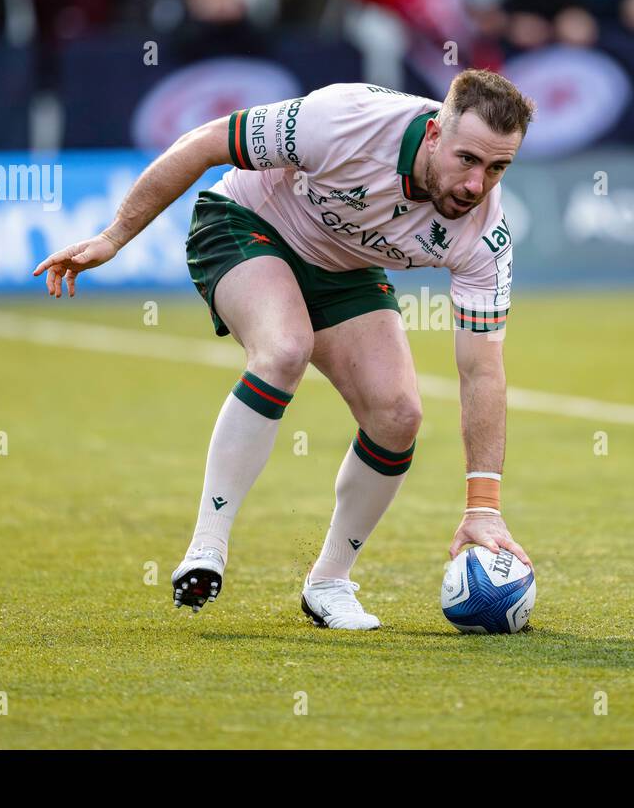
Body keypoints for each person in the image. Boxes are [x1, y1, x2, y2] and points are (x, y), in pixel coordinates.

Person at [33, 70, 534, 628]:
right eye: (467, 159)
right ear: (436, 134)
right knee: (284, 348)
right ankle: (207, 547)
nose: (475, 184)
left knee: (398, 415)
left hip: (343, 267)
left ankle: (330, 583)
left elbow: (482, 371)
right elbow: (203, 144)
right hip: (247, 224)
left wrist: (483, 509)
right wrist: (113, 237)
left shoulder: (485, 234)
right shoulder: (345, 120)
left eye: (497, 168)